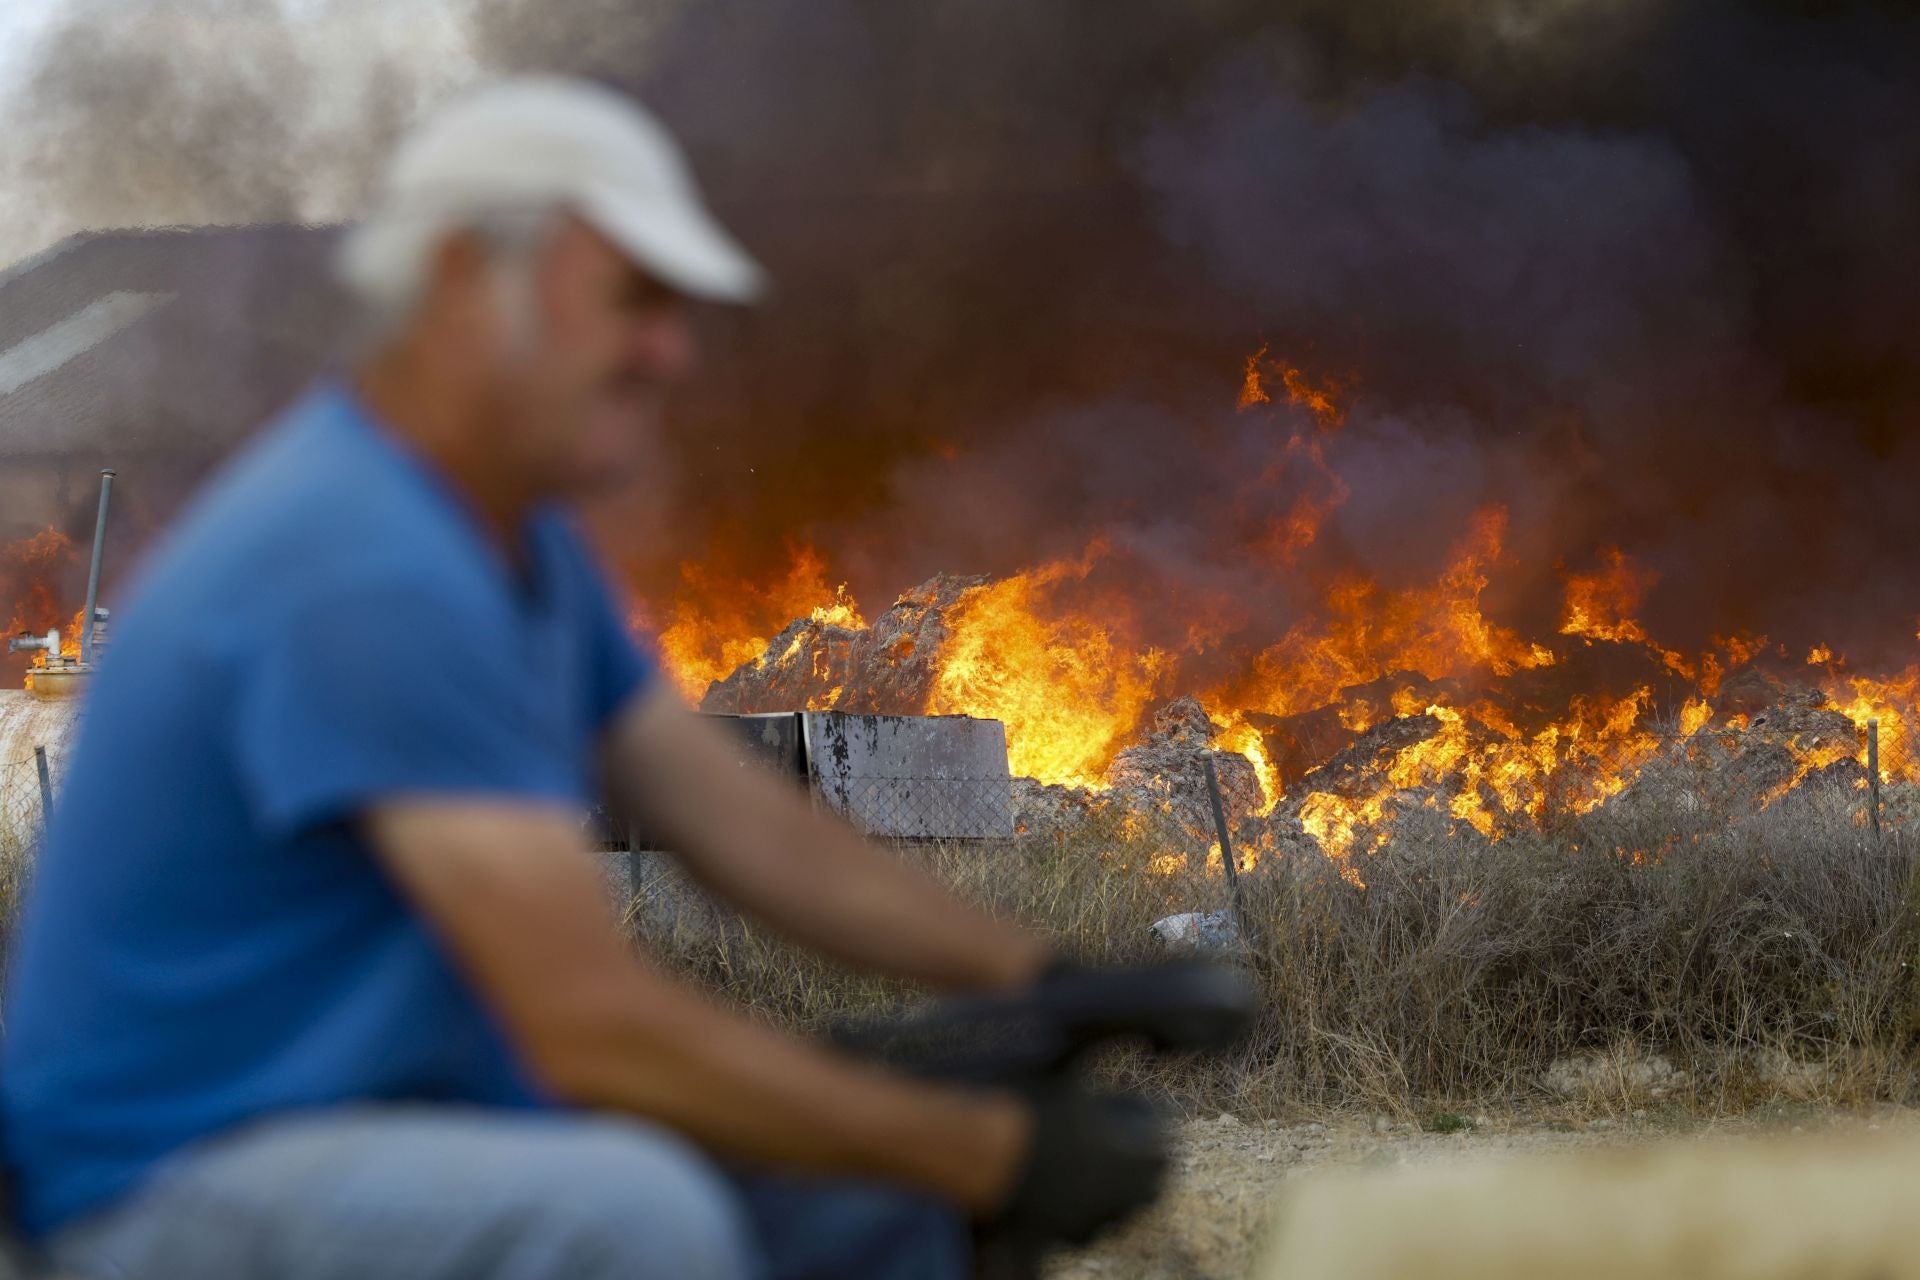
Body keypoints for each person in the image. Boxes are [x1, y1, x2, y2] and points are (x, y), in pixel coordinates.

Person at [0, 77, 1161, 1279]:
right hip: (164, 1178)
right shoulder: (362, 560)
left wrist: (1045, 974)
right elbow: (584, 1022)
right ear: (463, 279)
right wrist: (983, 1151)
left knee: (861, 1211)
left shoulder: (513, 539)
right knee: (631, 1216)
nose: (671, 349)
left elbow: (738, 816)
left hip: (370, 1120)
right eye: (630, 300)